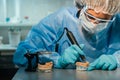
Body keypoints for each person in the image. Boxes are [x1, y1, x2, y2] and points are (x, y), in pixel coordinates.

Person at [13, 0, 120, 71]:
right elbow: (21, 54)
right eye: (90, 17)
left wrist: (117, 59)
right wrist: (56, 60)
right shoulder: (60, 20)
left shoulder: (117, 23)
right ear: (81, 7)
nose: (94, 24)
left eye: (103, 21)